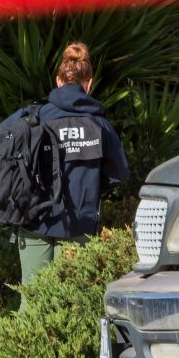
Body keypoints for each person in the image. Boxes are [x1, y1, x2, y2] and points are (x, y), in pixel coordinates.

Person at [14, 42, 129, 299]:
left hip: (35, 219)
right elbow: (119, 172)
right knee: (72, 301)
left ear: (58, 81)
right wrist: (92, 188)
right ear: (89, 83)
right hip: (78, 222)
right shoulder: (99, 124)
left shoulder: (36, 118)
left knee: (32, 300)